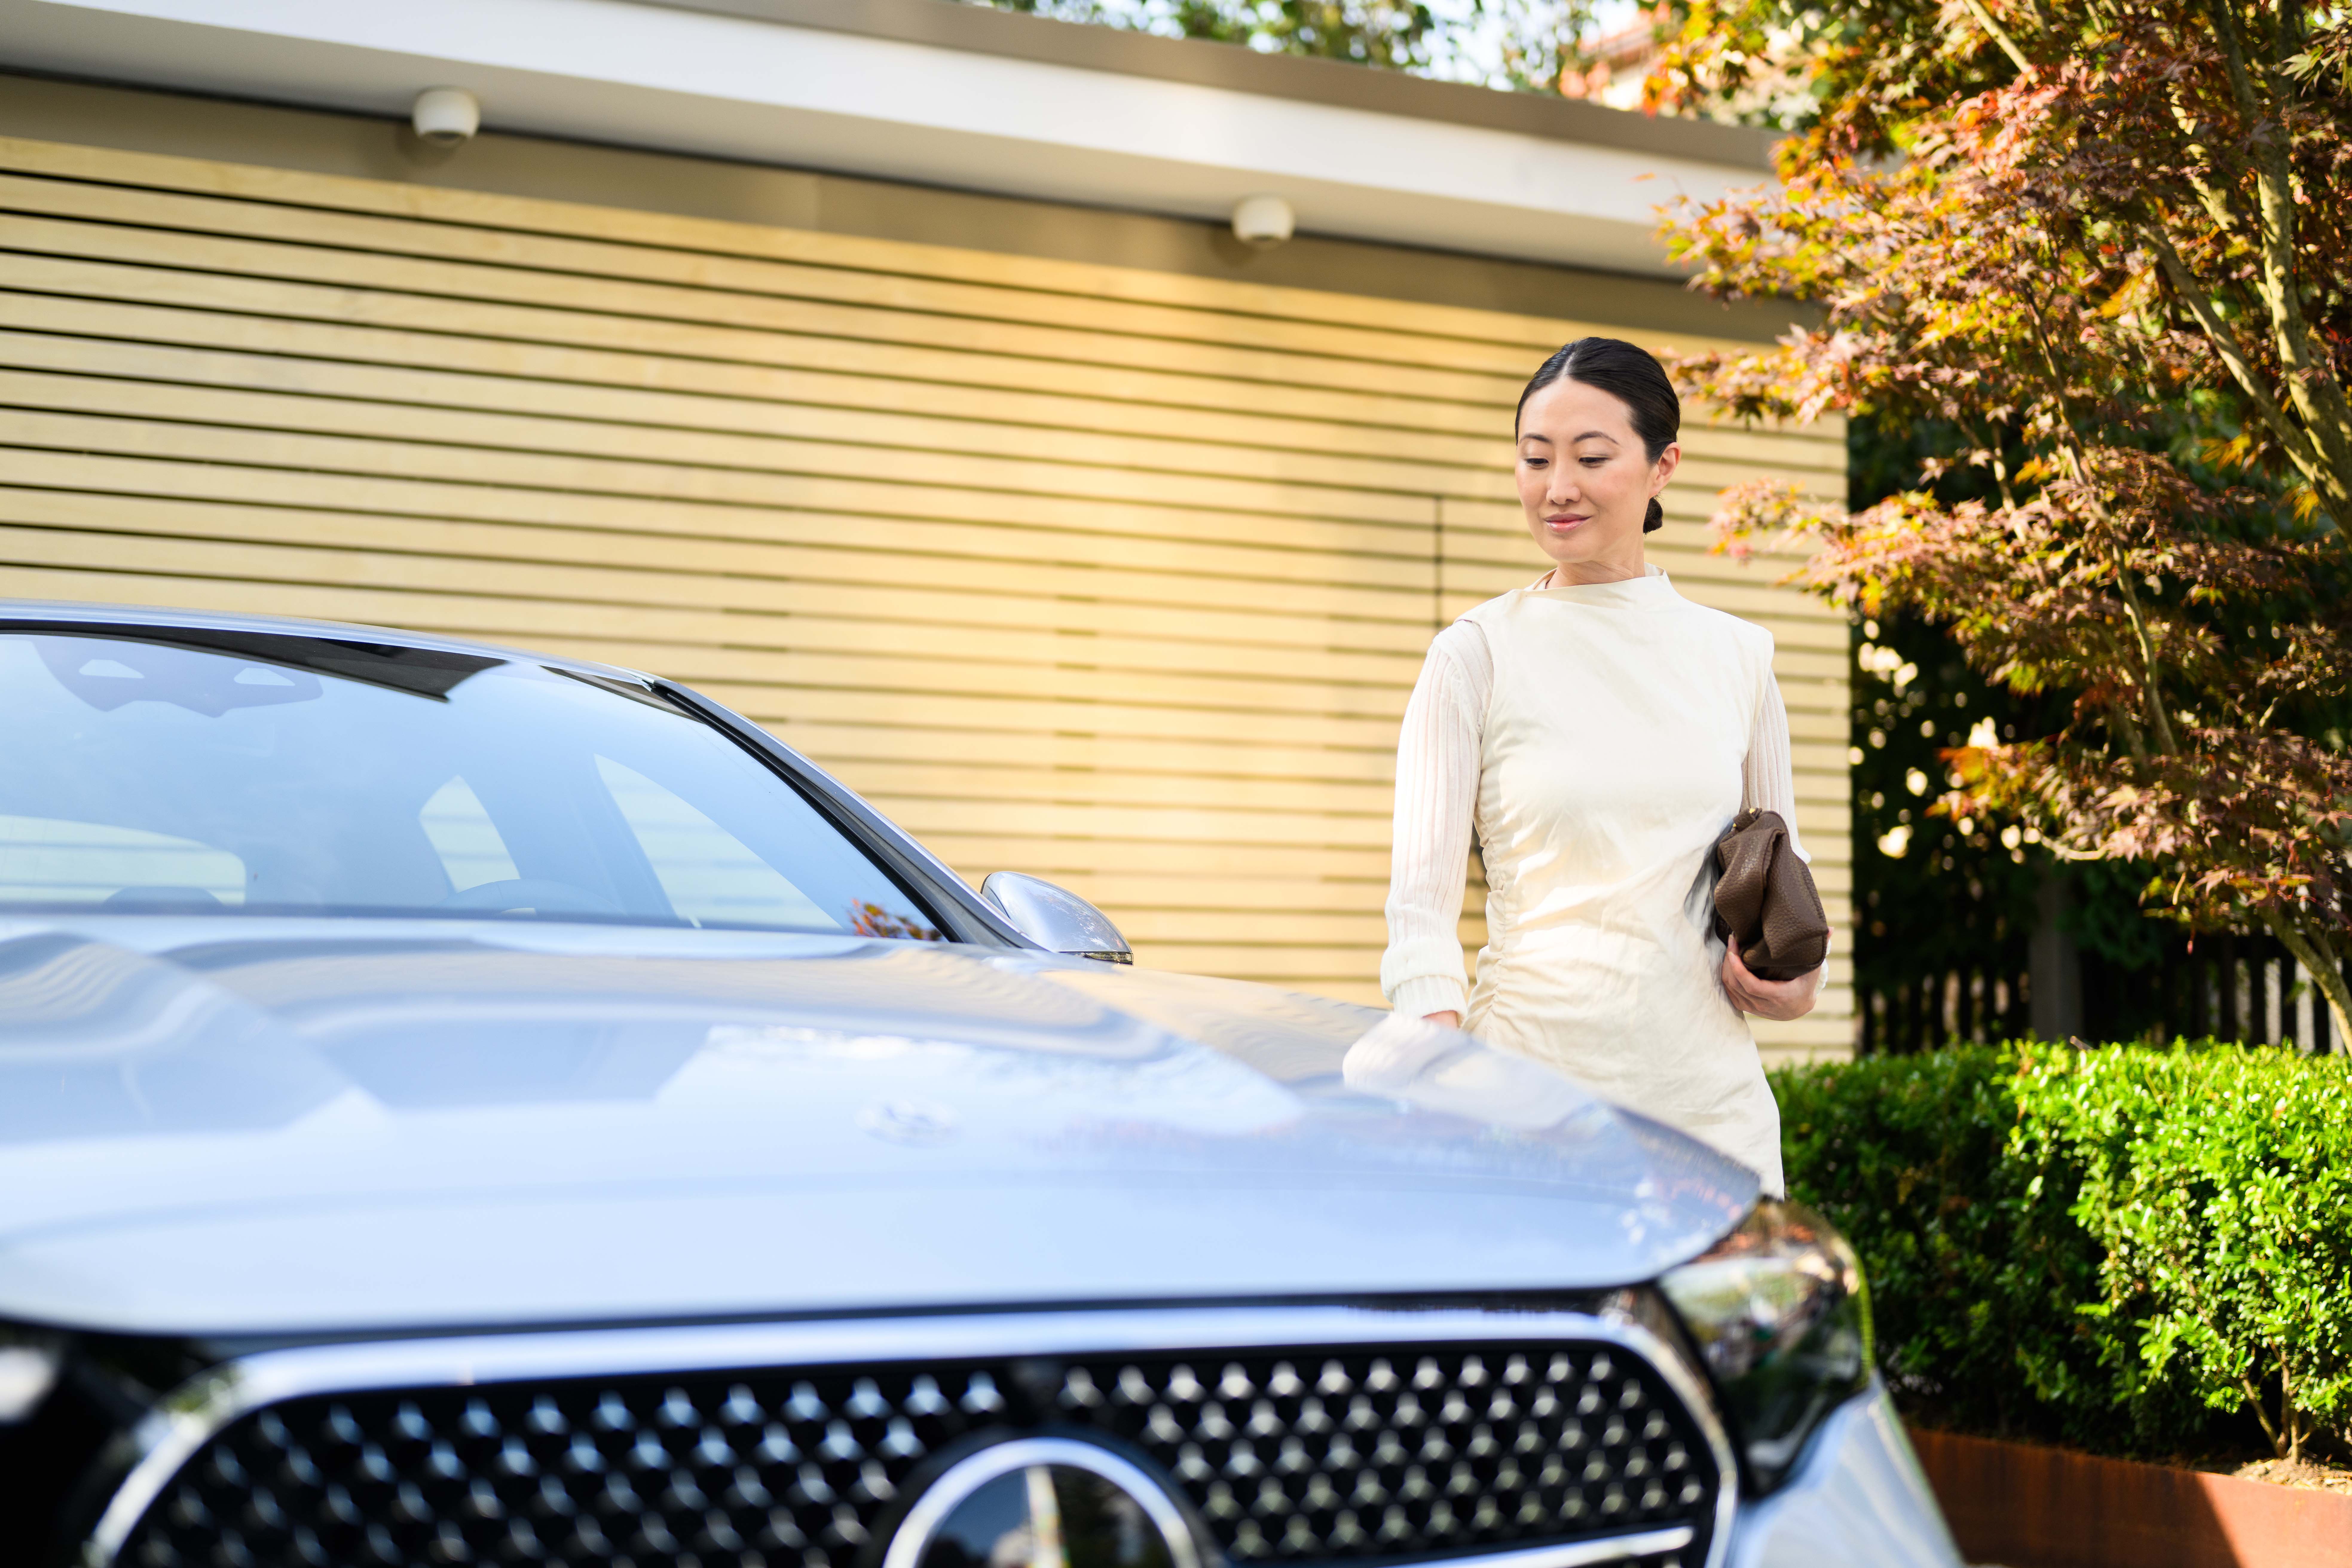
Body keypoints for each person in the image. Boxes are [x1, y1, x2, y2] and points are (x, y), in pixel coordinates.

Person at [1379, 337, 1824, 1193]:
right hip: (1530, 1101)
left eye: (1591, 457)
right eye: (1535, 458)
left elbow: (1781, 879)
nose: (1558, 488)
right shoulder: (1476, 655)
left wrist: (1796, 977)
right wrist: (1433, 1050)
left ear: (1663, 467)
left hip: (1710, 1113)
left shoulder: (1738, 658)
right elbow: (1420, 916)